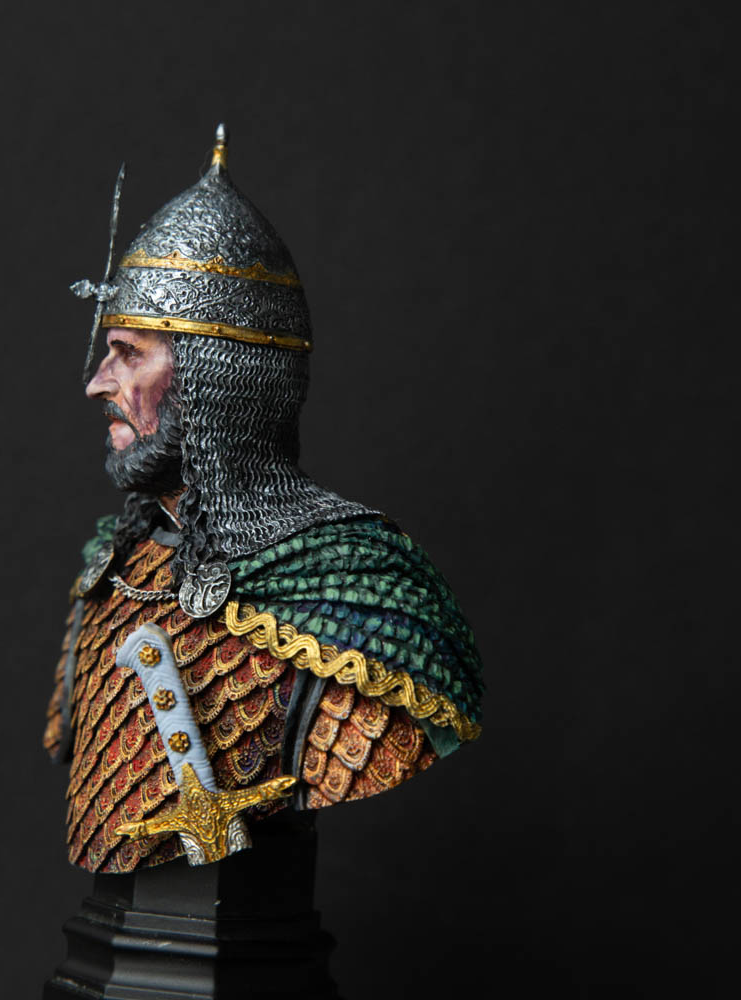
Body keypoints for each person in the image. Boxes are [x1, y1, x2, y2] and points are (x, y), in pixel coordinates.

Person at [43, 125, 484, 874]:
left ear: (216, 378)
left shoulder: (359, 584)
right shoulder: (111, 571)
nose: (96, 385)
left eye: (128, 355)